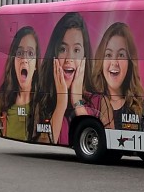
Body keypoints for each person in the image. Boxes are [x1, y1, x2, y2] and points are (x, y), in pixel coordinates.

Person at [32, 12, 98, 145]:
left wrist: (77, 101)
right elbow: (45, 140)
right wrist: (61, 102)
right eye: (62, 49)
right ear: (54, 54)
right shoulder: (42, 99)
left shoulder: (99, 101)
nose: (69, 59)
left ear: (85, 57)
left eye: (77, 50)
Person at [92, 22, 144, 132]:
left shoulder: (143, 110)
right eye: (108, 55)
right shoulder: (90, 104)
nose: (114, 62)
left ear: (130, 62)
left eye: (121, 55)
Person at [0, 26, 40, 141]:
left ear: (36, 64)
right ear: (13, 60)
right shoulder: (3, 103)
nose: (24, 59)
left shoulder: (44, 103)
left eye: (30, 53)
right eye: (19, 52)